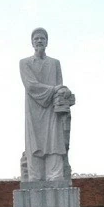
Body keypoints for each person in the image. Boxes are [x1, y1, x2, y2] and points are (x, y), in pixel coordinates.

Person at [20, 27, 72, 181]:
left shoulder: (55, 63)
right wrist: (56, 89)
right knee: (34, 142)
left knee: (54, 140)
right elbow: (31, 86)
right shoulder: (24, 63)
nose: (39, 41)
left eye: (42, 38)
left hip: (51, 110)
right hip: (33, 109)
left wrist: (63, 92)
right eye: (36, 38)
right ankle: (35, 175)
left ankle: (54, 174)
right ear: (32, 42)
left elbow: (59, 85)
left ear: (47, 42)